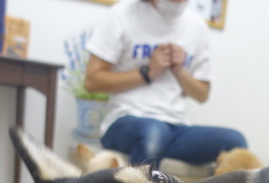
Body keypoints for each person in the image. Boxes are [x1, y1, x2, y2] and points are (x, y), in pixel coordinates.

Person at [84, 0, 247, 168]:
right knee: (155, 132)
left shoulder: (197, 27)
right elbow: (92, 81)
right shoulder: (121, 14)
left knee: (235, 142)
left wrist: (180, 71)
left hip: (175, 128)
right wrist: (148, 72)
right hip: (125, 121)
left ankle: (158, 151)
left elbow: (202, 94)